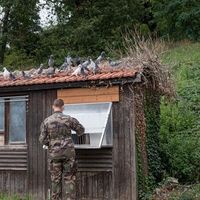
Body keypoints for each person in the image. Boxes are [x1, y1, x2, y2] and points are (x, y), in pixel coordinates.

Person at [39, 99, 85, 200]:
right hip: (68, 153)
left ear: (53, 106)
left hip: (54, 155)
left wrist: (50, 144)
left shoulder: (46, 121)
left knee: (55, 179)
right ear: (63, 107)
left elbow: (42, 139)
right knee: (69, 178)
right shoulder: (69, 119)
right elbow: (81, 130)